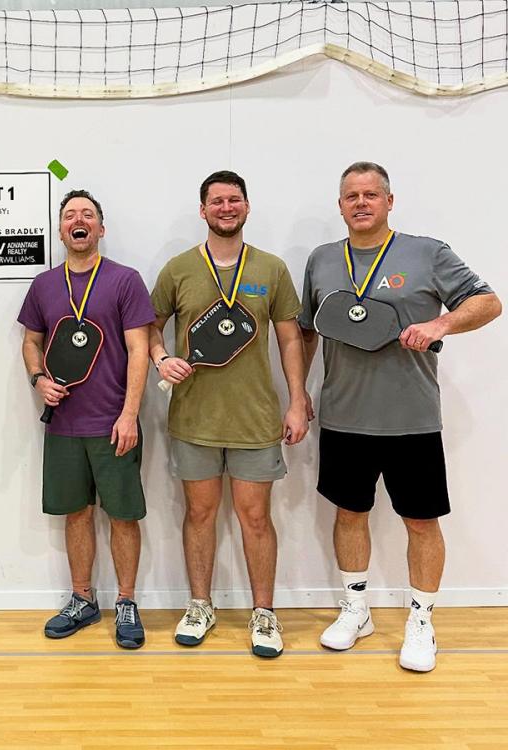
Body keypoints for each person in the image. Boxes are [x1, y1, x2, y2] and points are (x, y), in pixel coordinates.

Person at [299, 161, 501, 672]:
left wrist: (440, 323)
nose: (361, 202)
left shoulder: (427, 252)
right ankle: (357, 609)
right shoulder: (322, 260)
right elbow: (305, 331)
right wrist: (299, 392)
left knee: (421, 521)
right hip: (343, 416)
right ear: (340, 206)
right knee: (349, 515)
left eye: (371, 194)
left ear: (390, 201)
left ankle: (421, 619)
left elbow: (488, 302)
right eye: (351, 196)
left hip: (412, 419)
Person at [149, 171, 309, 658]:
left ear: (246, 207)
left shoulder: (272, 268)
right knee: (199, 514)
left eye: (233, 200)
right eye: (216, 201)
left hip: (255, 420)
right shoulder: (178, 269)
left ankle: (265, 613)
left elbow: (288, 338)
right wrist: (161, 358)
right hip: (194, 419)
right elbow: (148, 329)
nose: (225, 207)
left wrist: (298, 400)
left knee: (255, 518)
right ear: (203, 211)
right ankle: (200, 605)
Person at [18, 189, 154, 649]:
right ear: (60, 230)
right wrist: (38, 379)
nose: (79, 221)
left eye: (88, 215)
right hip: (63, 424)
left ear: (101, 228)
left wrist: (129, 414)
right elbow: (30, 342)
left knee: (122, 516)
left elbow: (139, 349)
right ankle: (82, 599)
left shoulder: (125, 280)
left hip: (114, 422)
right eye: (70, 215)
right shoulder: (43, 285)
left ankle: (127, 602)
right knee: (76, 514)